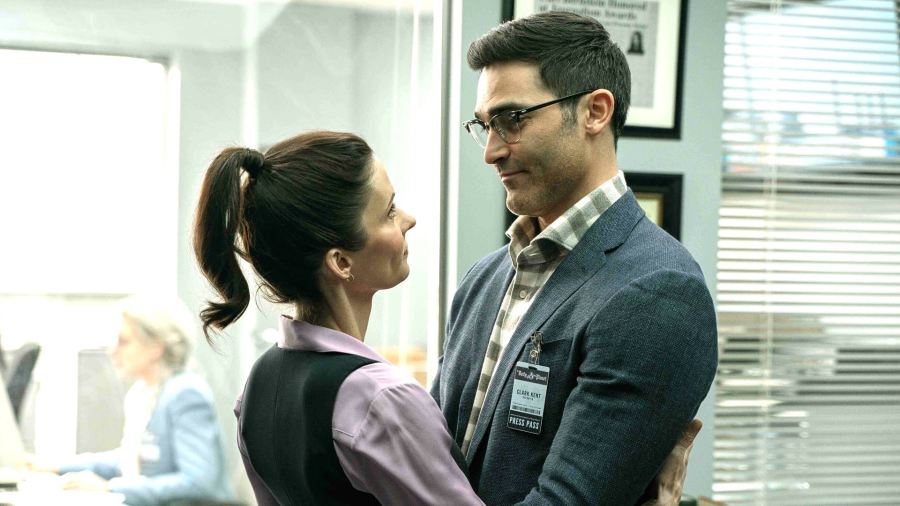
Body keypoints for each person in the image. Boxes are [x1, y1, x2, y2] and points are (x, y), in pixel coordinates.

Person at [192, 130, 699, 505]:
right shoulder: (381, 399)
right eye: (389, 211)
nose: (408, 219)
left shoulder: (256, 388)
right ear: (341, 262)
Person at [432, 10, 719, 505]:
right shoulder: (483, 279)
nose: (491, 152)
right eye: (484, 125)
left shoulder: (659, 291)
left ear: (595, 111)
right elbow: (424, 464)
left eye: (512, 120)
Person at [37, 295, 234, 506]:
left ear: (156, 347)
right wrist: (56, 467)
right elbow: (131, 459)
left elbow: (199, 483)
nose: (113, 351)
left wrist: (109, 488)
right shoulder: (143, 393)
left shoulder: (185, 393)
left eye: (124, 342)